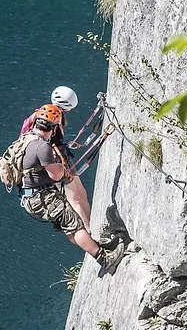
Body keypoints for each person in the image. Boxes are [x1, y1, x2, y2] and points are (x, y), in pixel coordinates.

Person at [20, 104, 126, 275]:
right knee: (73, 225)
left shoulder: (27, 138)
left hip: (33, 196)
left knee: (68, 225)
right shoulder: (42, 147)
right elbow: (55, 175)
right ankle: (105, 259)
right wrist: (62, 166)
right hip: (41, 197)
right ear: (53, 128)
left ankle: (97, 246)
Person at [20, 86, 92, 230]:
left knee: (80, 194)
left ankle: (91, 226)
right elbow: (45, 144)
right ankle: (89, 230)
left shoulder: (44, 113)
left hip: (57, 158)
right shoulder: (51, 118)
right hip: (55, 162)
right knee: (76, 198)